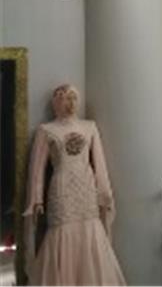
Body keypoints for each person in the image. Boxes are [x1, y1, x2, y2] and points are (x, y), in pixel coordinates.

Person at [23, 84, 125, 285]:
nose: (69, 102)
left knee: (91, 231)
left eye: (73, 97)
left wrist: (104, 192)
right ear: (56, 102)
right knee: (61, 234)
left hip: (86, 190)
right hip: (61, 191)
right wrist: (36, 199)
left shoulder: (89, 127)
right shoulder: (46, 130)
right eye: (64, 98)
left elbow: (99, 164)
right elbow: (37, 170)